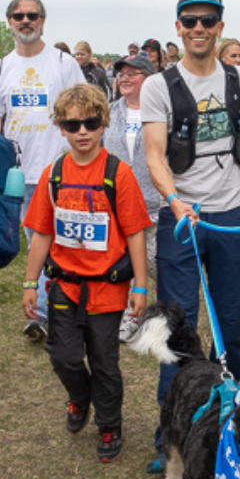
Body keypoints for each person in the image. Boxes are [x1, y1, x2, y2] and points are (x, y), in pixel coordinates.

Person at [141, 0, 240, 473]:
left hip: (229, 217)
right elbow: (156, 156)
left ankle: (229, 422)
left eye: (208, 21)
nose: (199, 28)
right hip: (182, 220)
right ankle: (172, 435)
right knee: (178, 330)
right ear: (178, 27)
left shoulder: (239, 79)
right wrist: (176, 201)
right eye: (190, 21)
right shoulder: (158, 86)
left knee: (230, 326)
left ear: (220, 26)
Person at [22, 84, 150, 463]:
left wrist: (140, 287)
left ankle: (110, 424)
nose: (82, 131)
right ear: (61, 127)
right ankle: (80, 398)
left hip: (107, 289)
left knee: (105, 362)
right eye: (72, 123)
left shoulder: (118, 174)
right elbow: (42, 232)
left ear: (102, 125)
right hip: (64, 285)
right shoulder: (54, 173)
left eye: (90, 123)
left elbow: (135, 234)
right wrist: (30, 283)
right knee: (63, 357)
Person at [0, 0, 85, 340]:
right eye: (18, 15)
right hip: (19, 177)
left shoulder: (63, 63)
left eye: (33, 15)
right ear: (9, 21)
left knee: (70, 242)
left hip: (61, 171)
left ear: (43, 20)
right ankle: (40, 315)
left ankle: (72, 307)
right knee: (35, 242)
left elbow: (84, 111)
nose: (26, 20)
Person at [104, 52, 160, 339]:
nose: (124, 78)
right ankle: (131, 315)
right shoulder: (109, 111)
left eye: (132, 73)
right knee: (124, 263)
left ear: (148, 79)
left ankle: (165, 315)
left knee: (156, 265)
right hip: (117, 204)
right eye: (121, 74)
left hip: (155, 204)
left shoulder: (164, 111)